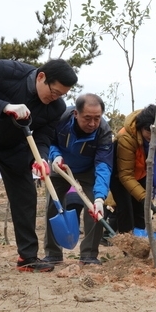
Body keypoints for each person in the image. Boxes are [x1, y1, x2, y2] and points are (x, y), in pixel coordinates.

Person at [0, 58, 78, 275]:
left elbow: (44, 135)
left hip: (13, 145)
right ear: (41, 77)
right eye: (54, 91)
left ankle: (27, 257)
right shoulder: (4, 71)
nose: (56, 98)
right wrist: (5, 106)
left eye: (61, 95)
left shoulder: (55, 107)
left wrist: (40, 158)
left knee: (25, 195)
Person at [43, 94, 113, 265]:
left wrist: (99, 197)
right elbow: (48, 140)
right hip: (61, 167)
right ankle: (53, 253)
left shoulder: (104, 132)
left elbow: (103, 165)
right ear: (76, 113)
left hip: (88, 171)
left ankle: (89, 255)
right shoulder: (61, 119)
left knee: (96, 210)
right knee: (53, 206)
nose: (92, 124)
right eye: (87, 118)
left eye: (97, 118)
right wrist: (55, 156)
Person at [110, 105, 156, 233]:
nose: (153, 135)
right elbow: (125, 175)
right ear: (140, 127)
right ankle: (128, 245)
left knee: (141, 210)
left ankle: (141, 240)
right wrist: (144, 197)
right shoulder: (126, 137)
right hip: (120, 177)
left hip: (141, 174)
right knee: (126, 210)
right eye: (148, 131)